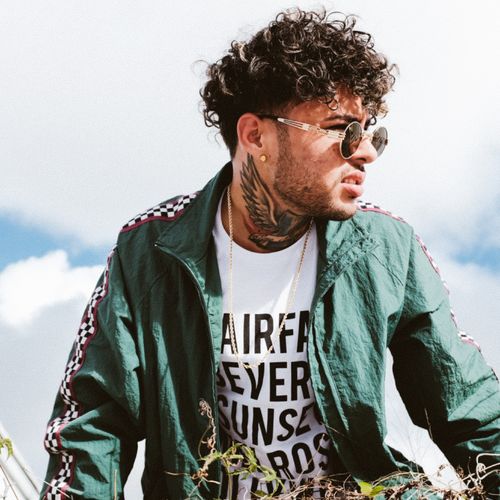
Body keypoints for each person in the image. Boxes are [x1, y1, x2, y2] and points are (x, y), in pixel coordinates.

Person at [41, 9, 499, 499]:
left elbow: (469, 408)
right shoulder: (150, 250)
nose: (365, 152)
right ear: (256, 136)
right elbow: (92, 426)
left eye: (370, 133)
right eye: (343, 131)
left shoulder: (385, 248)